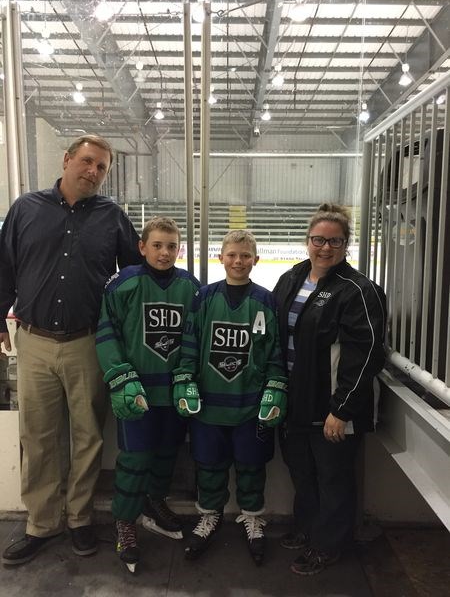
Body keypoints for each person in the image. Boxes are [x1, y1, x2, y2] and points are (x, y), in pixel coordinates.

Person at [0, 134, 142, 566]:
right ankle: (41, 524)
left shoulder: (112, 217)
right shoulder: (26, 209)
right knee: (38, 438)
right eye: (87, 161)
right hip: (35, 341)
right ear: (66, 160)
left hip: (87, 343)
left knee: (88, 436)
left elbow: (134, 277)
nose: (93, 171)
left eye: (101, 167)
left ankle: (80, 519)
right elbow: (4, 266)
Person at [273, 203, 386, 576]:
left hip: (332, 406)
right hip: (295, 399)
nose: (325, 248)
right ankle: (307, 528)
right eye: (318, 239)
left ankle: (328, 545)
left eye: (334, 241)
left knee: (333, 476)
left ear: (345, 244)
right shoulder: (292, 278)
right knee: (302, 471)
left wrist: (342, 409)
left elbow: (366, 353)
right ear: (307, 241)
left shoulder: (358, 289)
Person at [173, 229, 287, 566]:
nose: (238, 261)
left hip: (250, 404)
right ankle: (209, 516)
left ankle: (252, 517)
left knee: (251, 467)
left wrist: (275, 384)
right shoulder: (204, 297)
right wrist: (185, 378)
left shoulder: (265, 301)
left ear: (256, 259)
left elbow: (273, 350)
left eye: (245, 255)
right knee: (209, 466)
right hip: (208, 404)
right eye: (232, 255)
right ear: (221, 257)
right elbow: (190, 344)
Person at [95, 216, 200, 572]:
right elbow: (107, 332)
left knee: (167, 454)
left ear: (179, 249)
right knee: (135, 458)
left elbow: (195, 336)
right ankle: (124, 520)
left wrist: (189, 375)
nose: (165, 252)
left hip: (172, 392)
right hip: (136, 391)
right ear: (142, 247)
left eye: (172, 246)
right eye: (157, 245)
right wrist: (120, 376)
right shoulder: (123, 284)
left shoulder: (190, 285)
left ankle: (154, 502)